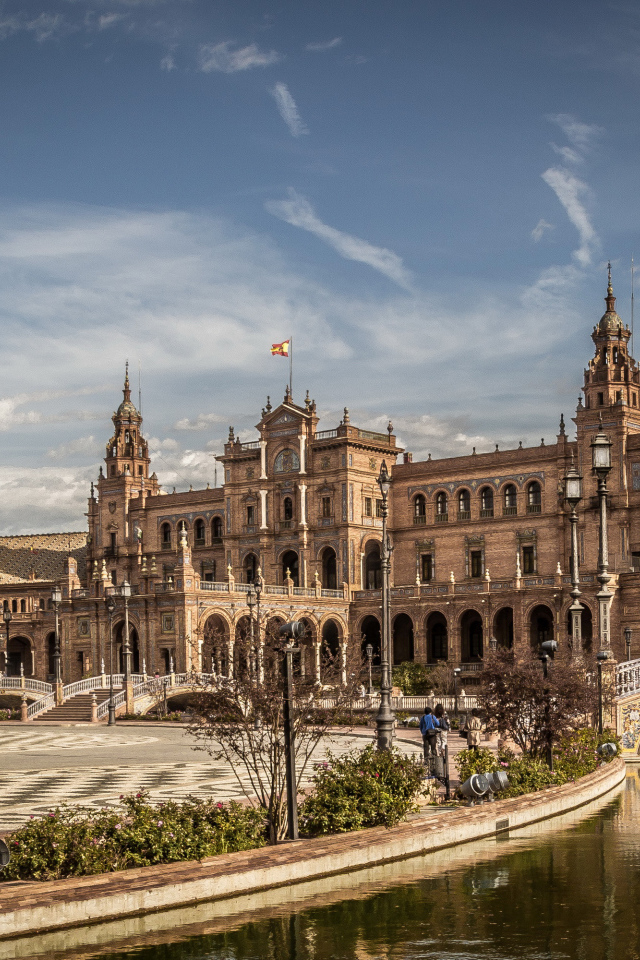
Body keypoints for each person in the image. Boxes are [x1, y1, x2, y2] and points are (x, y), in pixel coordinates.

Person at [419, 707, 439, 772]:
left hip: (425, 734)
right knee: (433, 748)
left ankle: (426, 761)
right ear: (430, 711)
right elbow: (437, 724)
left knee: (426, 748)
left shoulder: (423, 718)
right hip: (432, 734)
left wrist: (423, 732)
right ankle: (434, 760)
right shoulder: (433, 717)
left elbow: (420, 726)